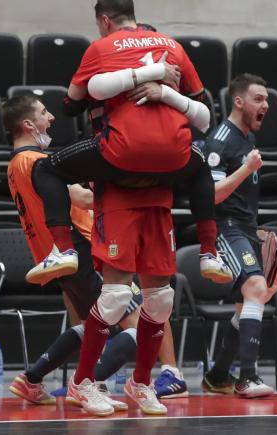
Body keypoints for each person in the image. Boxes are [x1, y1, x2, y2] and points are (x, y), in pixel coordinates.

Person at [25, 0, 232, 286]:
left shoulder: (101, 48)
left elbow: (70, 105)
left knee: (46, 169)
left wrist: (125, 83)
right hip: (174, 155)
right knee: (201, 172)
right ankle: (210, 252)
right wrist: (161, 85)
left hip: (121, 153)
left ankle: (63, 249)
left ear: (105, 21)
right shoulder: (172, 45)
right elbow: (200, 103)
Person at [1, 94, 188, 406]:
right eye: (44, 113)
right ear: (28, 124)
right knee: (136, 325)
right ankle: (88, 383)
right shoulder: (37, 162)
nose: (52, 118)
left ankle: (31, 379)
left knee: (92, 324)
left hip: (54, 255)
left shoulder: (15, 164)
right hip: (78, 248)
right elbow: (85, 200)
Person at [197, 73, 277, 398]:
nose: (266, 105)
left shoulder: (245, 138)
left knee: (248, 304)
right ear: (239, 101)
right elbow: (211, 195)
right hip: (224, 227)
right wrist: (246, 168)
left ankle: (217, 376)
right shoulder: (220, 140)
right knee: (256, 289)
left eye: (268, 100)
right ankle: (247, 377)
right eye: (259, 99)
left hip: (244, 228)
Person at [66, 178, 177, 416]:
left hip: (157, 206)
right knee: (115, 298)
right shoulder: (104, 142)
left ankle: (141, 382)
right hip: (117, 209)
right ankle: (82, 381)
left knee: (161, 300)